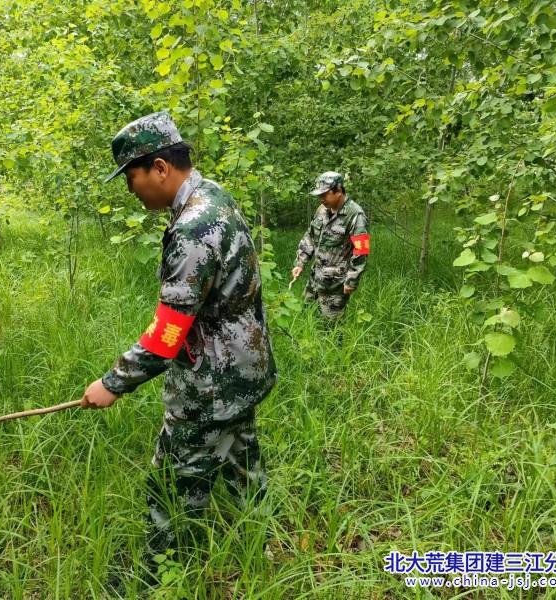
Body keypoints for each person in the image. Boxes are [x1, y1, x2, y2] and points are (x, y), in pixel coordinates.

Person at [80, 111, 277, 572]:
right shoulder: (214, 197)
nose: (131, 190)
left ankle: (158, 572)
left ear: (160, 168)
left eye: (131, 178)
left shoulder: (193, 227)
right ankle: (258, 548)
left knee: (172, 479)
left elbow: (169, 333)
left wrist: (112, 383)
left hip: (212, 381)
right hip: (245, 366)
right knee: (242, 460)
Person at [291, 171, 369, 321]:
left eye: (325, 194)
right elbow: (310, 236)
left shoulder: (355, 215)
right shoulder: (322, 210)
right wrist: (300, 263)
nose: (321, 199)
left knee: (331, 325)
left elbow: (361, 250)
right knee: (307, 316)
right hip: (316, 277)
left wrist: (352, 280)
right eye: (319, 195)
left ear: (338, 191)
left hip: (336, 283)